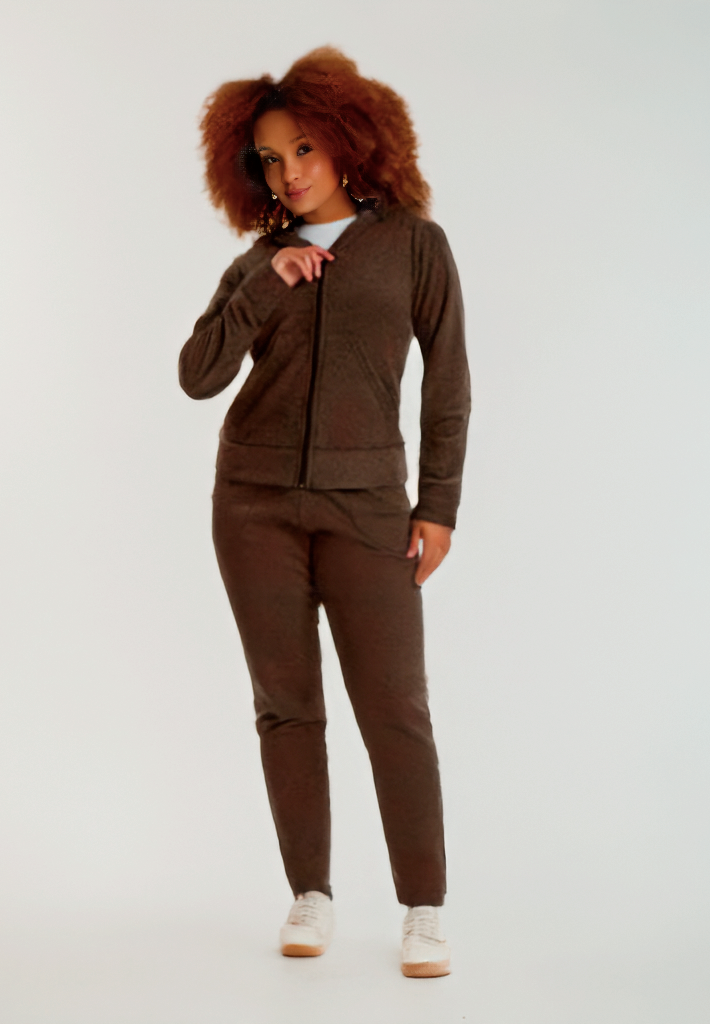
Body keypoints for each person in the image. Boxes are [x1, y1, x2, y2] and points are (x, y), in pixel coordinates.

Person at [178, 46, 470, 978]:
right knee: (286, 707)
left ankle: (423, 908)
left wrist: (438, 505)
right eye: (269, 159)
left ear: (349, 140)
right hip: (252, 504)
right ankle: (310, 892)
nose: (289, 173)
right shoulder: (258, 263)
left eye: (304, 148)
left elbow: (448, 384)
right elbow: (197, 375)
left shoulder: (415, 246)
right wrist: (272, 281)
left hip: (368, 506)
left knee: (395, 707)